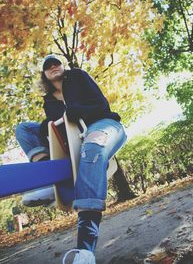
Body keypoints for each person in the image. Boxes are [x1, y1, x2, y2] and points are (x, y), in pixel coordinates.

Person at [16, 54, 127, 264]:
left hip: (103, 124)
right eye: (48, 66)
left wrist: (77, 111)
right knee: (24, 129)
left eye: (56, 63)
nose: (53, 66)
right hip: (73, 144)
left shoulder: (77, 76)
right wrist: (46, 124)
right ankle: (50, 179)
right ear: (45, 75)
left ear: (63, 66)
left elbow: (102, 106)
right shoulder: (48, 100)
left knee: (92, 147)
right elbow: (58, 128)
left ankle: (85, 250)